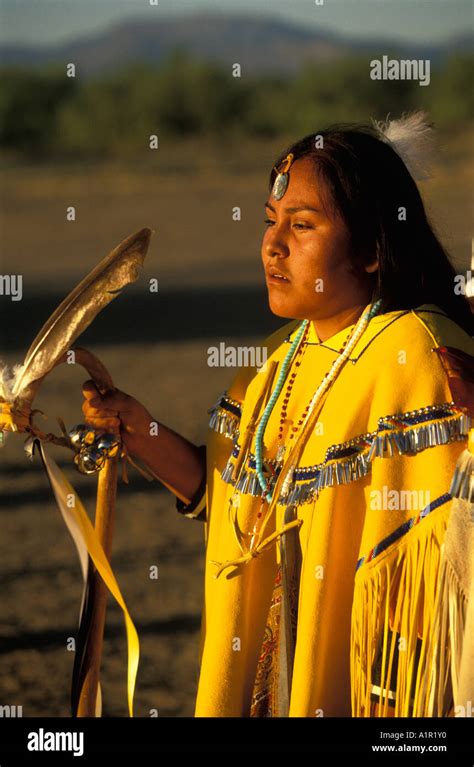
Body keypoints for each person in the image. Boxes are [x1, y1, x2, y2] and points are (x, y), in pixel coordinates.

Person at [82, 113, 473, 717]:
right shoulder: (276, 358)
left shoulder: (416, 352)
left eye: (303, 225)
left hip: (368, 679)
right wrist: (139, 428)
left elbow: (445, 553)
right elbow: (235, 505)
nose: (273, 244)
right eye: (270, 223)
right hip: (265, 668)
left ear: (371, 249)